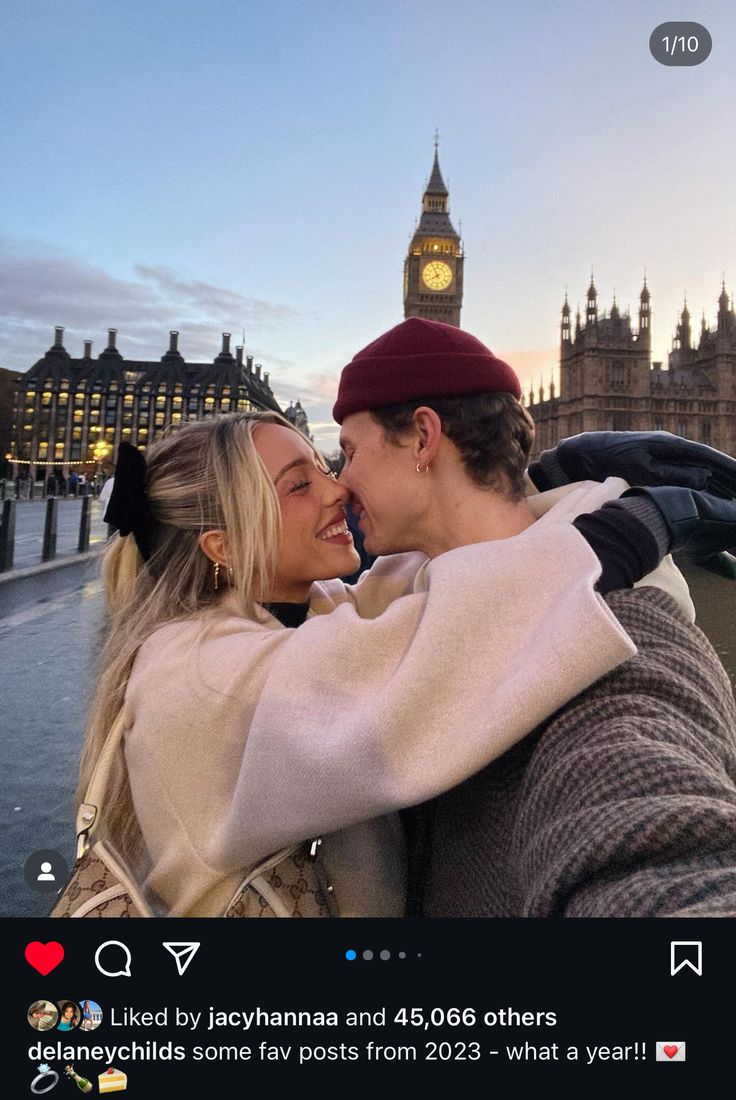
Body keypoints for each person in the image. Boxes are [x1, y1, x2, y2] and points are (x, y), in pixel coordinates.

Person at [331, 317, 736, 917]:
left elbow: (645, 815)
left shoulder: (615, 631)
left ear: (423, 437)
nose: (339, 483)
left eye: (349, 453)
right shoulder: (398, 607)